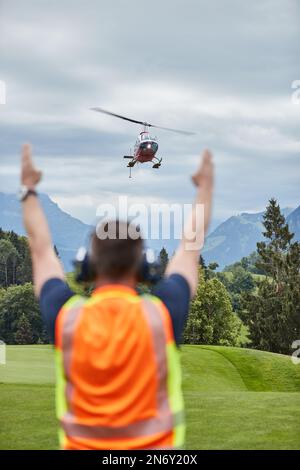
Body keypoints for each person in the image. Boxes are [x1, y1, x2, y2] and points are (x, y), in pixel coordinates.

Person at [20, 143, 214, 450]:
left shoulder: (66, 317)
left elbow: (40, 248)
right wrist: (205, 189)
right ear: (144, 268)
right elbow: (191, 248)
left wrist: (28, 190)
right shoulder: (162, 314)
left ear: (88, 266)